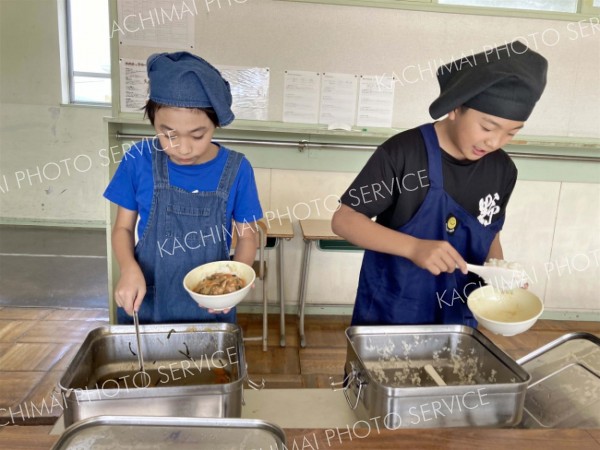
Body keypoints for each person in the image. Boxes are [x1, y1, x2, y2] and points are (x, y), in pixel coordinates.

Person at [332, 41, 548, 327]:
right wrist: (413, 248)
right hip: (394, 311)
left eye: (511, 133)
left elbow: (491, 235)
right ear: (455, 108)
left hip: (458, 316)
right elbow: (345, 220)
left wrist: (499, 274)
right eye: (487, 127)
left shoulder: (503, 170)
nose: (495, 142)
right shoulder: (404, 153)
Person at [104, 52, 263, 325]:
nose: (183, 148)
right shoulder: (138, 159)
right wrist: (128, 268)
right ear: (152, 119)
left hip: (211, 304)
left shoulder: (237, 169)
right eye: (168, 134)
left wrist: (237, 281)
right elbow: (123, 229)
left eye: (198, 135)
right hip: (149, 299)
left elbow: (248, 236)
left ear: (215, 125)